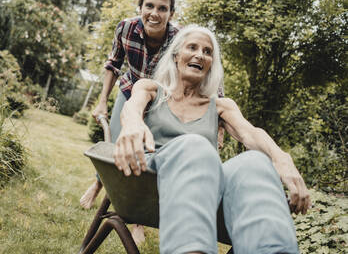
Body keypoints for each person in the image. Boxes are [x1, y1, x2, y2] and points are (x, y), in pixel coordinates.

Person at [114, 25, 311, 254]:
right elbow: (131, 107)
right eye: (192, 47)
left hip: (205, 189)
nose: (200, 55)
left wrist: (281, 158)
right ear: (176, 55)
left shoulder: (220, 106)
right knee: (195, 145)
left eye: (208, 52)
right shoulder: (150, 89)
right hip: (152, 180)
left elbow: (250, 133)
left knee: (255, 162)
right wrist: (133, 123)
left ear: (210, 65)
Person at [80, 0, 180, 243]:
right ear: (141, 7)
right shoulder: (126, 27)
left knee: (145, 154)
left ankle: (137, 220)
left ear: (171, 13)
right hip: (129, 92)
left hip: (158, 101)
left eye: (162, 8)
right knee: (114, 145)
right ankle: (99, 184)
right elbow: (113, 64)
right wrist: (102, 101)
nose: (154, 14)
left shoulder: (179, 39)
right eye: (149, 6)